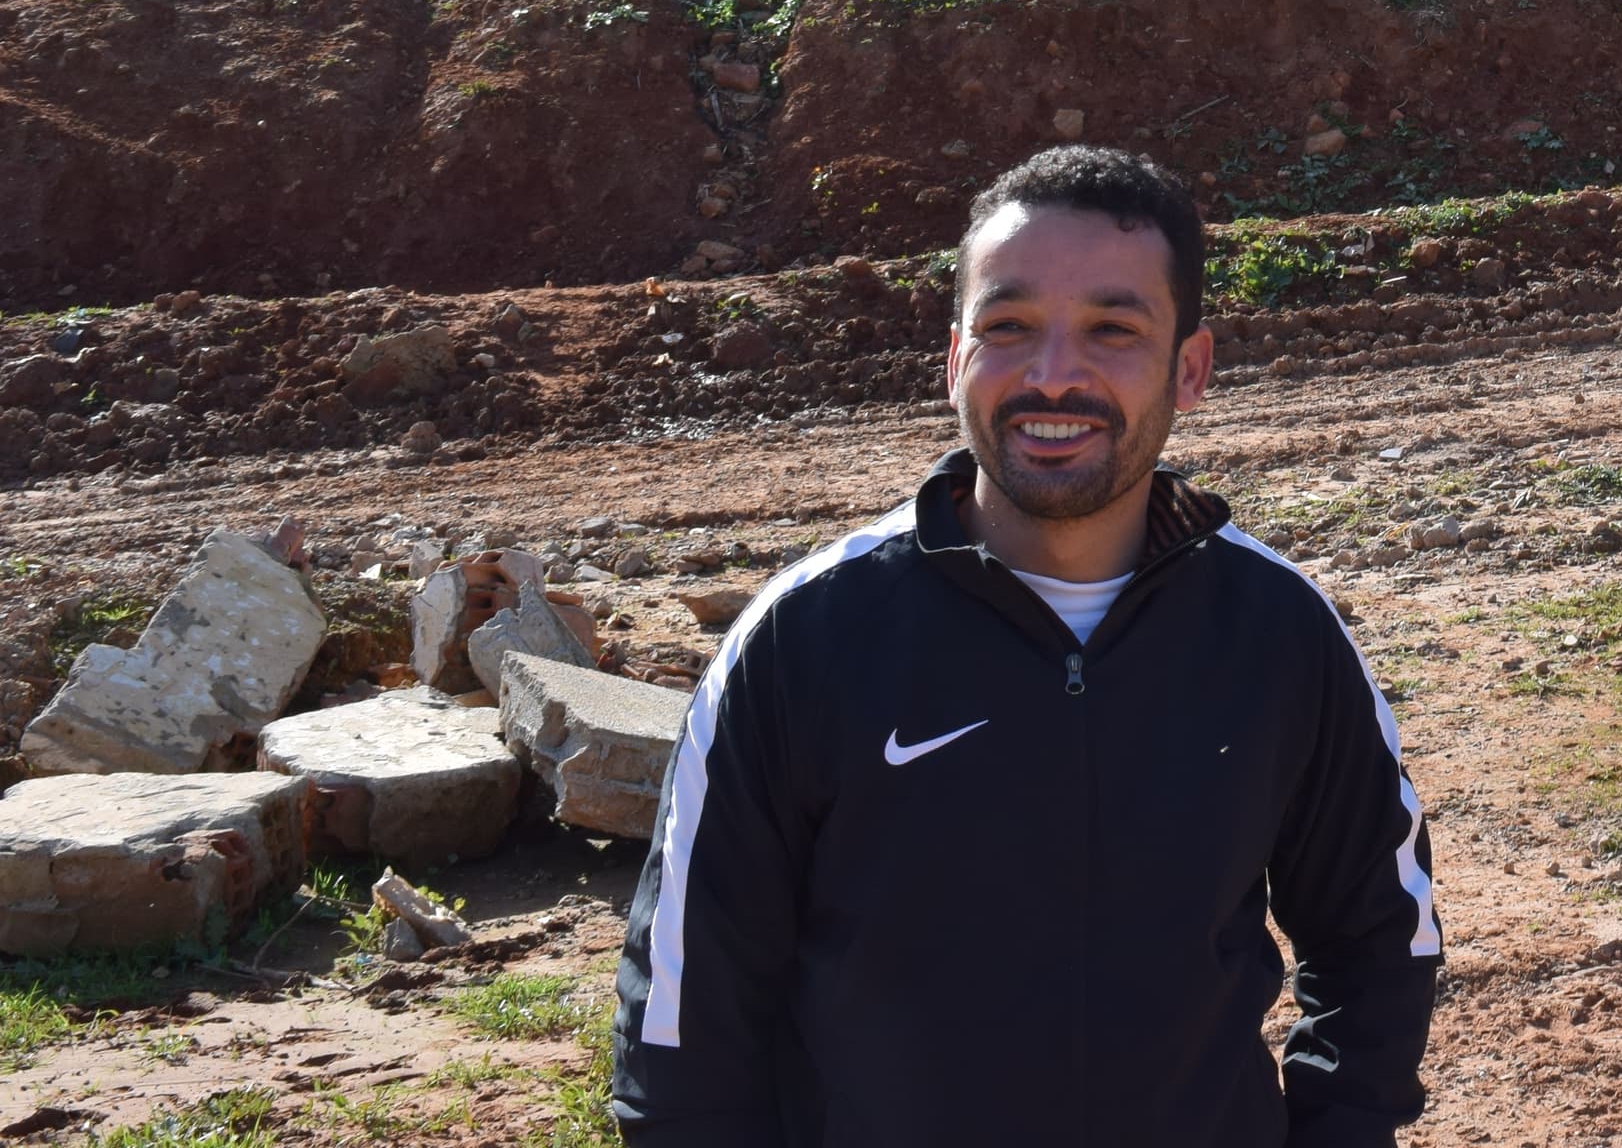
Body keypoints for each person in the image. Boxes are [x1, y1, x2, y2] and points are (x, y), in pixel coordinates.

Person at [609, 146, 1439, 1145]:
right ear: (955, 355)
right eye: (1008, 328)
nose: (1054, 376)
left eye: (1111, 329)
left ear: (1191, 367)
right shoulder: (805, 639)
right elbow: (683, 1019)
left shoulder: (1276, 633)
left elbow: (1378, 940)